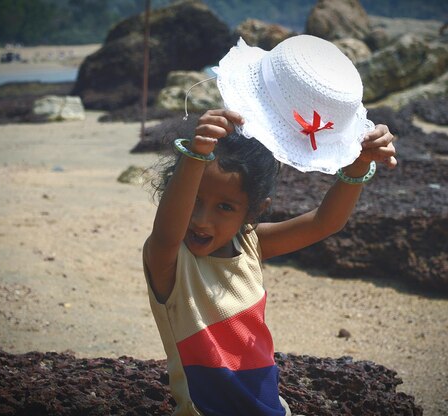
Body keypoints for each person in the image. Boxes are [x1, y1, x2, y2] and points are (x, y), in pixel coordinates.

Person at [143, 35, 397, 415]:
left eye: (225, 206)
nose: (200, 219)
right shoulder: (171, 264)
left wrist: (358, 166)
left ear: (254, 211)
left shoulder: (250, 245)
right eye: (194, 200)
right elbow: (168, 230)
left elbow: (325, 222)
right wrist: (195, 156)